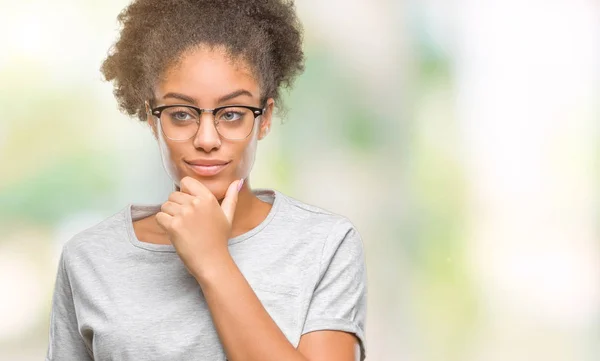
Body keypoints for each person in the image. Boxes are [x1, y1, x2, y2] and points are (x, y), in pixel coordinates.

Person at [45, 0, 367, 360]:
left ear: (264, 120)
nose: (207, 139)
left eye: (232, 114)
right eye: (181, 114)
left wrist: (213, 261)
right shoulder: (89, 259)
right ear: (152, 120)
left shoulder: (324, 245)